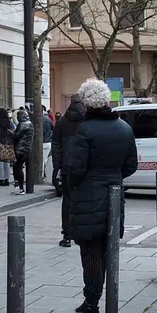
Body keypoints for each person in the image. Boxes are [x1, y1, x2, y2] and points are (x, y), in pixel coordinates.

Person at [69, 78, 137, 313]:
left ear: (87, 103)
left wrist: (76, 183)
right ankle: (95, 301)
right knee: (107, 250)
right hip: (114, 197)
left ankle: (92, 303)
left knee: (90, 252)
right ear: (107, 100)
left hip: (89, 197)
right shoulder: (125, 128)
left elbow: (76, 168)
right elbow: (131, 165)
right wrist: (113, 177)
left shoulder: (85, 130)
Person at [52, 94, 86, 248]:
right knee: (85, 200)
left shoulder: (61, 122)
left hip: (66, 167)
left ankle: (67, 235)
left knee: (67, 201)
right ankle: (83, 233)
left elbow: (56, 146)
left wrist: (57, 167)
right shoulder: (87, 120)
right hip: (84, 167)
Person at [12, 110, 34, 195]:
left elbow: (16, 136)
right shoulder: (30, 124)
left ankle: (20, 188)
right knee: (19, 168)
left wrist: (12, 133)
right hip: (27, 149)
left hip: (19, 149)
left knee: (17, 168)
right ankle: (19, 188)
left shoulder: (22, 124)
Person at [0, 108, 14, 187]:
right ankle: (7, 179)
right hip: (8, 143)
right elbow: (13, 131)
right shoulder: (9, 122)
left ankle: (0, 178)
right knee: (6, 161)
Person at [43, 109, 54, 180]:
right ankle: (44, 174)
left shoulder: (36, 119)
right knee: (45, 159)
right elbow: (54, 129)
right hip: (48, 142)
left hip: (41, 142)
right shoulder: (49, 120)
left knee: (42, 160)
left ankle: (42, 175)